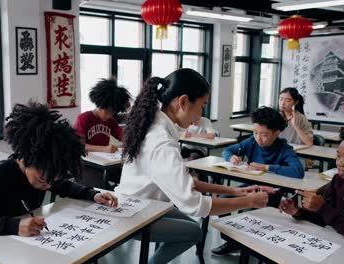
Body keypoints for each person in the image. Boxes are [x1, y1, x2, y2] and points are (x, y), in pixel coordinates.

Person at [115, 68, 272, 264]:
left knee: (189, 227)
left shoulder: (154, 123)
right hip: (136, 211)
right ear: (182, 102)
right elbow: (194, 204)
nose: (200, 114)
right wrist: (250, 202)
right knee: (193, 231)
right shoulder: (161, 142)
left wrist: (235, 191)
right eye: (201, 106)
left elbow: (185, 182)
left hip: (143, 203)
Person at [0, 102, 118, 236]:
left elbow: (64, 185)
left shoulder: (45, 172)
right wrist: (14, 226)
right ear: (25, 160)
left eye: (52, 180)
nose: (48, 185)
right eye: (43, 181)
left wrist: (93, 194)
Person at [212, 106, 305, 256]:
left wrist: (265, 167)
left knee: (248, 212)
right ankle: (233, 241)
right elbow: (227, 150)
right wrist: (231, 157)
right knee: (222, 201)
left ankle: (247, 246)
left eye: (264, 135)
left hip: (273, 193)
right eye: (255, 132)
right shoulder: (252, 142)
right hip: (251, 187)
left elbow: (297, 171)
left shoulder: (284, 149)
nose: (258, 138)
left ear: (276, 133)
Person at [279, 129, 344, 241]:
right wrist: (298, 211)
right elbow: (323, 219)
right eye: (338, 156)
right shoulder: (338, 181)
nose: (339, 163)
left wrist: (322, 208)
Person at [74, 78, 131, 188]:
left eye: (112, 112)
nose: (109, 115)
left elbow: (122, 136)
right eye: (107, 112)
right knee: (103, 191)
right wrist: (103, 148)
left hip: (105, 163)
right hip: (85, 165)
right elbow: (80, 146)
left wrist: (128, 142)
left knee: (128, 181)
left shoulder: (111, 121)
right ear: (100, 105)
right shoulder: (83, 119)